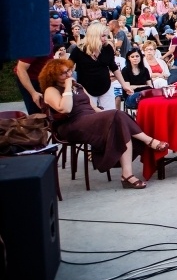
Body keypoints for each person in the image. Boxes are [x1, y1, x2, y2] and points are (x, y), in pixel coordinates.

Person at [41, 58, 167, 189]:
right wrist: (67, 86)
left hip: (90, 120)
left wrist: (106, 117)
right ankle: (149, 141)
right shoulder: (51, 90)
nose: (68, 75)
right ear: (53, 76)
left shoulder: (78, 86)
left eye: (69, 71)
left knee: (119, 120)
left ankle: (127, 175)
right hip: (72, 125)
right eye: (63, 73)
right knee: (117, 114)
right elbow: (65, 108)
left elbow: (93, 107)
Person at [69, 22, 133, 110]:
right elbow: (68, 67)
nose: (106, 39)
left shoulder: (107, 48)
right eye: (103, 36)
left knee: (110, 113)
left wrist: (124, 85)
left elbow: (114, 67)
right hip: (86, 89)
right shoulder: (78, 50)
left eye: (106, 36)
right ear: (94, 35)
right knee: (91, 116)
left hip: (106, 86)